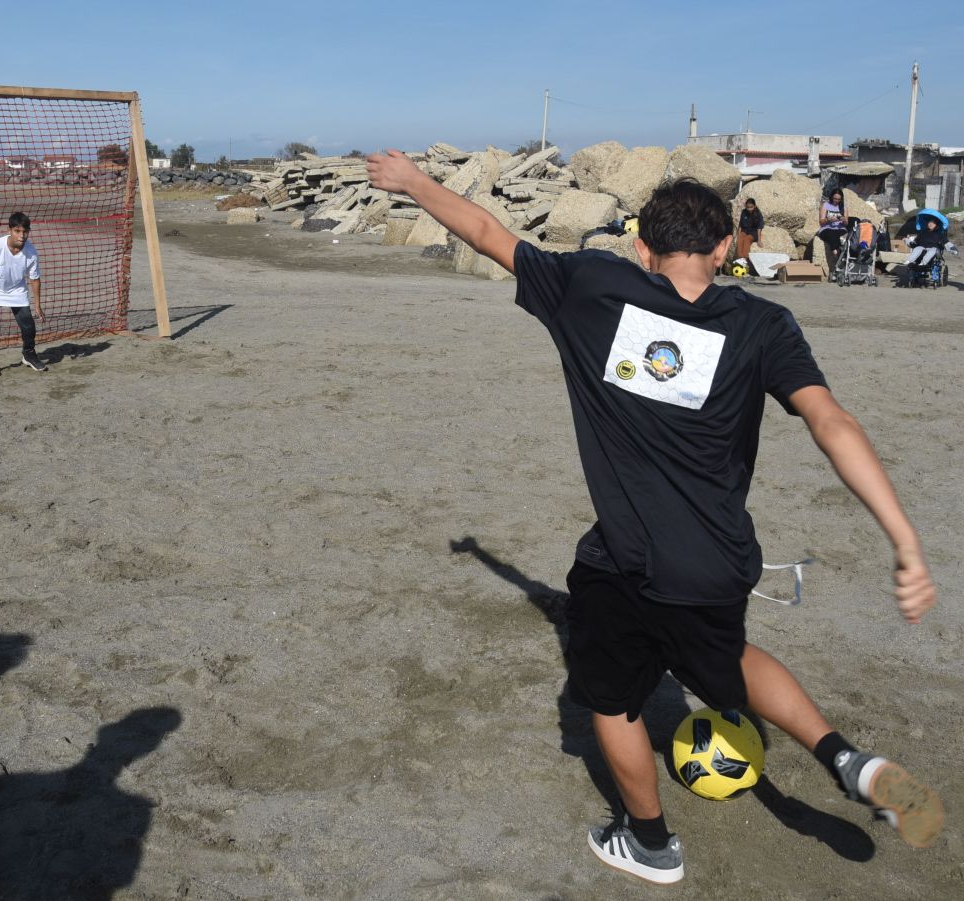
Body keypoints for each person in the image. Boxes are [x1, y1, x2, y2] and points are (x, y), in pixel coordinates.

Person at [365, 150, 944, 885]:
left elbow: (485, 230)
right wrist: (904, 538)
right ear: (727, 247)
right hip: (720, 560)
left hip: (627, 563)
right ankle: (845, 758)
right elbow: (831, 420)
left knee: (610, 698)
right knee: (726, 658)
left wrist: (414, 182)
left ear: (642, 246)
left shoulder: (593, 287)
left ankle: (649, 842)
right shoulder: (765, 324)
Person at [0, 212, 46, 376]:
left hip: (17, 289)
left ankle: (29, 354)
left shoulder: (31, 252)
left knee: (28, 324)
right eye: (17, 231)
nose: (21, 236)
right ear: (9, 230)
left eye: (25, 232)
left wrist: (37, 305)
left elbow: (34, 278)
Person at [898, 215, 955, 287]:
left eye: (932, 223)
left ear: (936, 225)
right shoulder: (922, 233)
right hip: (922, 248)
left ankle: (924, 262)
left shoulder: (940, 234)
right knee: (917, 248)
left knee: (933, 250)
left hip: (933, 249)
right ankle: (909, 260)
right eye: (929, 223)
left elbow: (946, 243)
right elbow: (915, 242)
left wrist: (952, 249)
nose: (930, 224)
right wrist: (907, 240)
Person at [816, 188, 847, 275]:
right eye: (835, 199)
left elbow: (846, 223)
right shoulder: (826, 205)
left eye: (838, 199)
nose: (836, 201)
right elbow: (821, 222)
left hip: (840, 228)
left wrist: (843, 219)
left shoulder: (843, 206)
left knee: (842, 234)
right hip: (827, 228)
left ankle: (837, 253)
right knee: (832, 234)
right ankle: (836, 253)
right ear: (831, 197)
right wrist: (829, 219)